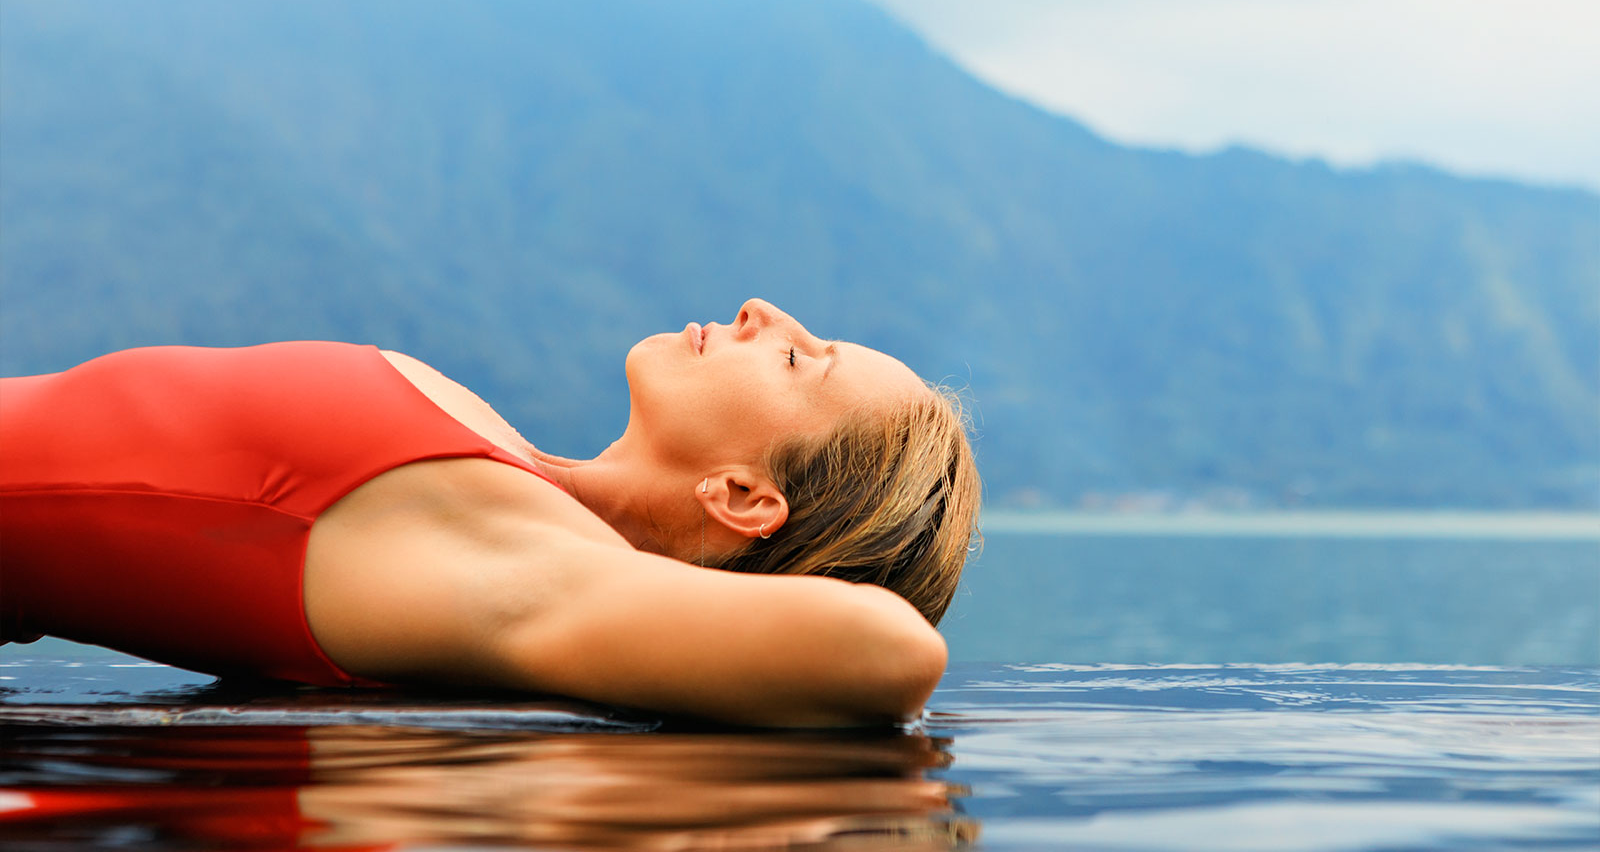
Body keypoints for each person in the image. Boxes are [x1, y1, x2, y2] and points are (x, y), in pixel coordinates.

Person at [0, 299, 980, 726]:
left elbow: (886, 652)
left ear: (743, 496)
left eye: (802, 359)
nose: (765, 311)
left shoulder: (513, 561)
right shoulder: (508, 481)